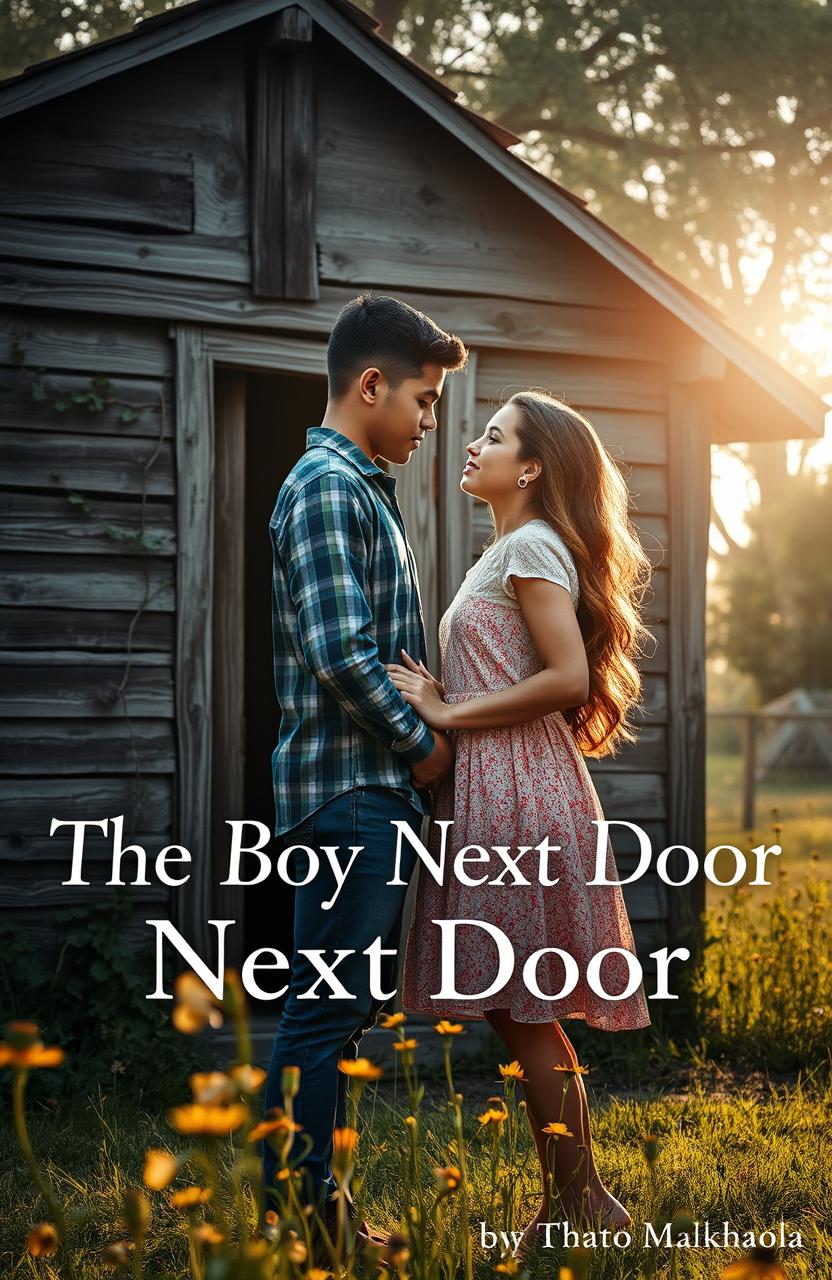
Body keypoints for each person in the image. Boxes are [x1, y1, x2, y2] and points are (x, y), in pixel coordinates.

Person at [389, 389, 653, 1251]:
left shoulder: (532, 547)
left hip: (519, 791)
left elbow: (568, 678)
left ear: (531, 466)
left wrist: (445, 711)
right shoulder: (508, 548)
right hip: (505, 784)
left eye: (494, 436)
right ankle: (577, 1197)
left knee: (524, 1007)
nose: (471, 444)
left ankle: (584, 1201)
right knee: (519, 1008)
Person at [262, 293, 467, 1234]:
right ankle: (304, 1219)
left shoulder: (356, 486)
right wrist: (424, 746)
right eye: (423, 401)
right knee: (323, 1012)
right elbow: (341, 651)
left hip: (363, 792)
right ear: (372, 384)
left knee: (337, 1013)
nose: (431, 422)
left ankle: (318, 1210)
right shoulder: (326, 485)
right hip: (351, 793)